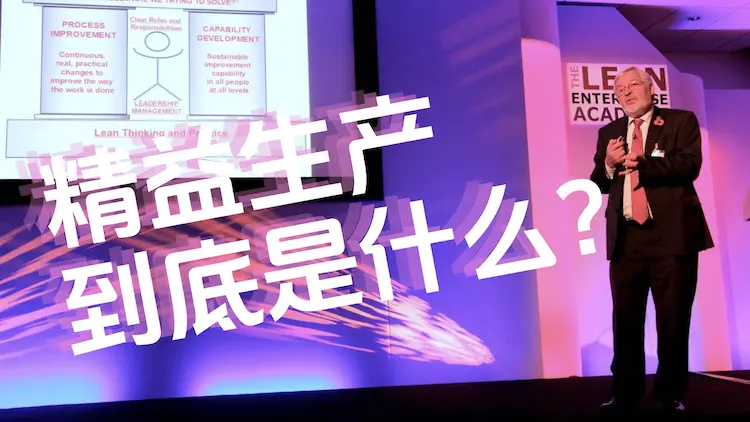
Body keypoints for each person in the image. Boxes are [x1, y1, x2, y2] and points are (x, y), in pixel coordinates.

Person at [589, 66, 714, 414]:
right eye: (619, 90)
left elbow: (689, 166)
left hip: (671, 239)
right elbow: (598, 182)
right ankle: (625, 393)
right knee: (625, 321)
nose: (626, 93)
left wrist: (644, 163)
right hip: (626, 239)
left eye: (633, 85)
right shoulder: (609, 132)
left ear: (650, 88)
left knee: (673, 319)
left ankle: (669, 394)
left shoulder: (679, 121)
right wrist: (609, 164)